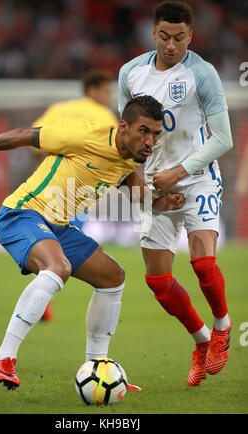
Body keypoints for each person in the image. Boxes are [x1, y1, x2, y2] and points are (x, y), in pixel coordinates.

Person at [0, 96, 185, 391]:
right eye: (144, 131)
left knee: (112, 277)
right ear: (123, 127)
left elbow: (136, 192)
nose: (150, 141)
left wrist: (161, 201)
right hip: (22, 213)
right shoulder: (85, 135)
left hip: (59, 227)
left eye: (156, 134)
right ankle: (3, 359)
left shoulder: (129, 158)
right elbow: (25, 135)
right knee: (57, 267)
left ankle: (98, 368)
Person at [118, 1, 233, 387]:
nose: (171, 45)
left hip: (197, 175)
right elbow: (127, 135)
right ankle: (201, 341)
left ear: (191, 36)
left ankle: (222, 327)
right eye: (164, 36)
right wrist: (139, 181)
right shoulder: (130, 73)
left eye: (179, 37)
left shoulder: (203, 74)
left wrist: (179, 172)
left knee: (202, 263)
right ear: (153, 33)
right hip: (154, 181)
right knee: (158, 282)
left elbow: (224, 138)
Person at [32, 69, 118, 320]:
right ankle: (42, 296)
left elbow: (33, 138)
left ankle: (42, 296)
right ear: (93, 91)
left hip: (47, 185)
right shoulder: (103, 115)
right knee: (61, 240)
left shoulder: (59, 109)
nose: (108, 97)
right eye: (105, 92)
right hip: (78, 189)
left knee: (48, 239)